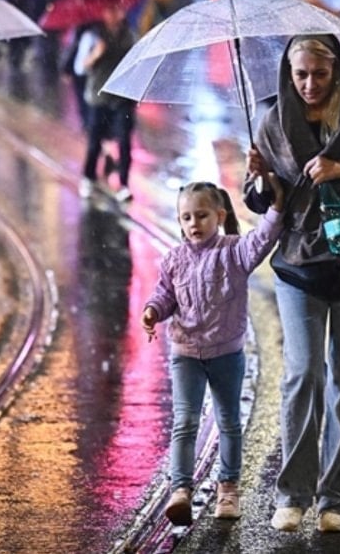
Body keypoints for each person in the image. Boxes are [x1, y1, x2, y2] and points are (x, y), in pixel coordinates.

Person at [243, 34, 340, 533]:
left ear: (337, 73)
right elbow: (259, 202)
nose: (310, 84)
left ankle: (334, 499)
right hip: (298, 264)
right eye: (300, 75)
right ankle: (293, 494)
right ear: (288, 75)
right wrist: (258, 180)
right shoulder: (272, 121)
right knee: (303, 375)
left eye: (320, 74)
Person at [141, 178, 286, 525]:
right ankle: (180, 490)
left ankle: (228, 488)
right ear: (180, 221)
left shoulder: (234, 252)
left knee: (229, 421)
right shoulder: (174, 259)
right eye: (187, 217)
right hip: (186, 353)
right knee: (185, 421)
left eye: (202, 215)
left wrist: (277, 207)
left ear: (219, 216)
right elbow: (165, 294)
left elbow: (262, 239)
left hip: (226, 353)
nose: (194, 223)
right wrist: (152, 310)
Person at [78, 3, 137, 201]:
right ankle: (88, 178)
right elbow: (80, 68)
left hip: (122, 98)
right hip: (99, 97)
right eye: (110, 9)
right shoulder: (92, 36)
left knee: (124, 141)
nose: (115, 14)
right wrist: (96, 54)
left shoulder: (130, 36)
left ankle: (123, 183)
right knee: (95, 141)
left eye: (118, 9)